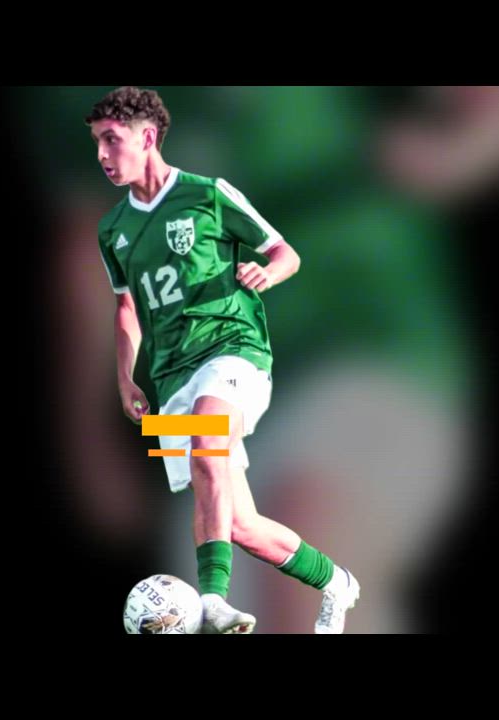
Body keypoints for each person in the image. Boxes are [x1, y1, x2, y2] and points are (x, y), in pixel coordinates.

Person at [86, 86, 360, 634]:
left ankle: (211, 601)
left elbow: (285, 253)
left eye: (111, 139)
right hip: (169, 378)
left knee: (208, 448)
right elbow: (126, 309)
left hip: (230, 349)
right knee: (237, 524)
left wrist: (266, 272)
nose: (102, 154)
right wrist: (124, 379)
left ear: (148, 136)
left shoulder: (208, 194)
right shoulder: (112, 229)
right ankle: (336, 582)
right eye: (96, 142)